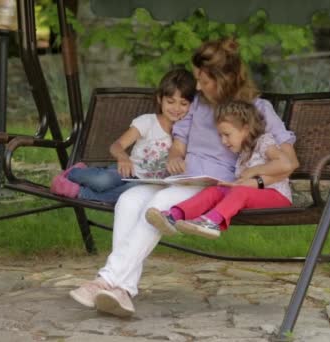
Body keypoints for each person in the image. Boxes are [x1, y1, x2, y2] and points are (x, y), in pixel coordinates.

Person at [69, 38, 299, 317]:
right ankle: (122, 290)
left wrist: (254, 179)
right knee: (129, 200)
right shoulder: (200, 105)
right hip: (179, 178)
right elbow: (179, 142)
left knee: (161, 203)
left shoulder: (258, 108)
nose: (198, 87)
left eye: (203, 80)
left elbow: (288, 161)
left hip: (212, 185)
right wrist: (174, 156)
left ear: (224, 78)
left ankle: (105, 281)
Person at [145, 100, 293, 239]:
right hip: (252, 195)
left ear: (246, 129)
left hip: (277, 196)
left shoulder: (263, 141)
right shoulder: (243, 153)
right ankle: (173, 216)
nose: (223, 141)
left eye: (227, 135)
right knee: (214, 191)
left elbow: (285, 164)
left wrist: (254, 171)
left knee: (239, 192)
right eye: (221, 136)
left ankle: (211, 222)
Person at [50, 68, 197, 203]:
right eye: (171, 102)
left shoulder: (189, 132)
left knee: (126, 195)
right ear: (160, 99)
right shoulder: (148, 122)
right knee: (102, 182)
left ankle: (77, 192)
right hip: (128, 170)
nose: (176, 108)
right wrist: (123, 157)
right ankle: (74, 173)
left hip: (149, 185)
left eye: (183, 104)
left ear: (192, 105)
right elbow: (117, 146)